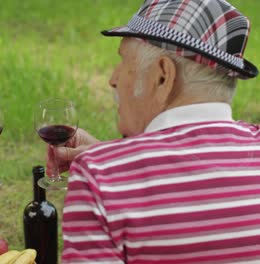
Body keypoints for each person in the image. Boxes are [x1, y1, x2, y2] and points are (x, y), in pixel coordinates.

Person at [49, 0, 260, 263]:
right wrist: (119, 164)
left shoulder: (96, 178)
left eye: (123, 61)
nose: (113, 79)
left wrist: (109, 171)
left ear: (163, 76)